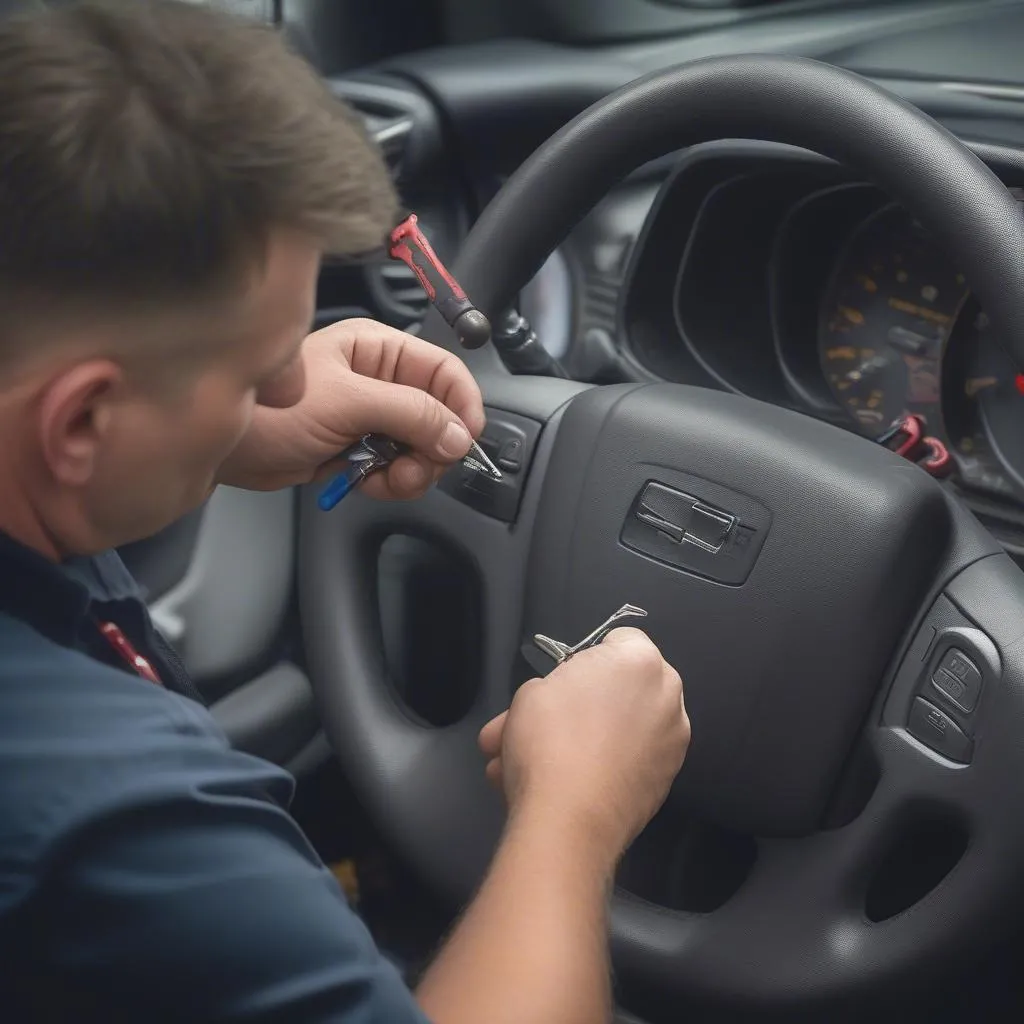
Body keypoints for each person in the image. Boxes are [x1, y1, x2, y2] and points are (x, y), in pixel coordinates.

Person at [0, 3, 691, 1022]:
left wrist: (217, 429)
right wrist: (577, 807)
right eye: (254, 374)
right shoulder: (113, 814)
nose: (294, 386)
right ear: (81, 424)